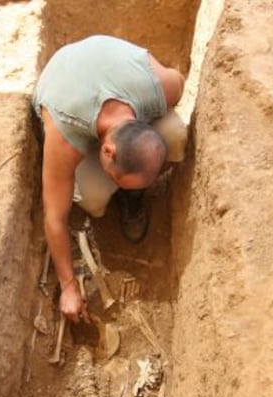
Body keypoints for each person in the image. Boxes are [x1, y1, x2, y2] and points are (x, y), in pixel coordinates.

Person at [33, 35, 187, 324]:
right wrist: (68, 287)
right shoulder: (65, 134)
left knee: (176, 136)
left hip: (110, 65)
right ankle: (122, 191)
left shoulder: (158, 91)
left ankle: (134, 194)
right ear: (107, 151)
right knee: (93, 198)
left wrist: (144, 65)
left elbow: (177, 76)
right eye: (119, 179)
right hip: (65, 83)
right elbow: (54, 217)